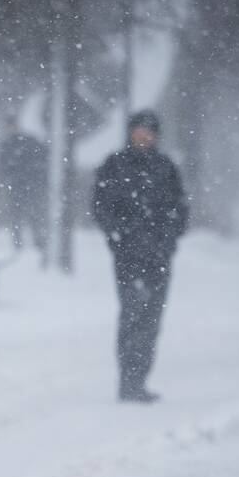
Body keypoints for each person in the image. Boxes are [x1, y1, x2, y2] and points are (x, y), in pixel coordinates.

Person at [92, 110, 189, 403]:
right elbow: (100, 206)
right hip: (128, 257)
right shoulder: (114, 165)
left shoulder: (165, 167)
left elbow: (180, 208)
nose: (144, 136)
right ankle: (128, 381)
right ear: (131, 132)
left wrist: (169, 239)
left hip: (159, 256)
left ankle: (140, 379)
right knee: (131, 315)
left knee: (151, 319)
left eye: (149, 131)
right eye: (139, 130)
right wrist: (118, 236)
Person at [0, 116, 50, 267]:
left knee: (33, 215)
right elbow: (1, 165)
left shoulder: (26, 142)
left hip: (29, 185)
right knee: (17, 216)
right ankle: (19, 242)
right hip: (17, 186)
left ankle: (37, 241)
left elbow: (41, 158)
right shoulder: (8, 145)